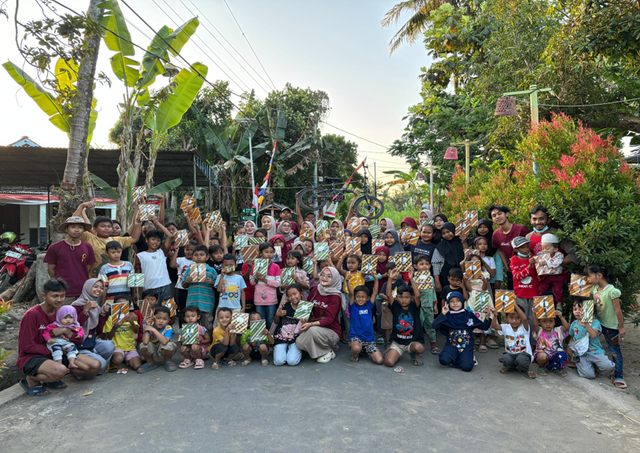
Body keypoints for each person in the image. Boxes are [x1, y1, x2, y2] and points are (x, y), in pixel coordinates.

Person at [17, 279, 101, 396]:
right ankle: (32, 379)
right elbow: (27, 346)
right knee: (60, 370)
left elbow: (78, 339)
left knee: (94, 366)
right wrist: (57, 350)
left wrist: (66, 331)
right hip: (33, 356)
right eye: (55, 296)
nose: (59, 299)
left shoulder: (61, 313)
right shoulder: (32, 315)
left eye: (62, 296)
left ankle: (51, 377)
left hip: (59, 352)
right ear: (44, 296)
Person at [73, 201, 141, 278]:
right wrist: (81, 206)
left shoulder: (118, 240)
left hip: (116, 281)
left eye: (109, 226)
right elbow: (73, 224)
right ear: (94, 229)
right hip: (95, 282)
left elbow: (134, 238)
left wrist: (138, 222)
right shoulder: (89, 237)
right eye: (103, 226)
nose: (106, 228)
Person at [587, 264, 626, 389]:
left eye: (589, 276)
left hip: (610, 326)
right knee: (594, 344)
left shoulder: (612, 291)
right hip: (597, 324)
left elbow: (618, 311)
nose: (588, 279)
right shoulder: (593, 289)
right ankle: (596, 367)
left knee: (614, 350)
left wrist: (621, 327)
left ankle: (619, 375)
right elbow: (589, 303)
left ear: (599, 275)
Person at [433, 291, 493, 372]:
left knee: (467, 367)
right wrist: (442, 314)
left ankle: (468, 356)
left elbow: (484, 327)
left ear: (462, 301)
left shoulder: (468, 315)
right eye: (452, 301)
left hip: (466, 346)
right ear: (448, 303)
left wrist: (487, 317)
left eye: (458, 300)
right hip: (452, 346)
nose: (455, 303)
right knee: (443, 360)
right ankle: (457, 356)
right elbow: (434, 326)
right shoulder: (448, 315)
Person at [296, 267, 343, 363]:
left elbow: (329, 319)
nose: (324, 278)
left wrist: (311, 324)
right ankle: (325, 349)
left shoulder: (335, 296)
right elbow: (307, 305)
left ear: (335, 279)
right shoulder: (316, 289)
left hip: (332, 330)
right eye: (322, 274)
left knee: (312, 330)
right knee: (299, 342)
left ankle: (327, 350)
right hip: (315, 326)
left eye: (329, 276)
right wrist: (304, 319)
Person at [44, 216, 95, 303]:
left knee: (82, 315)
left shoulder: (88, 247)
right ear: (66, 229)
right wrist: (59, 284)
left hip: (83, 291)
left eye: (80, 227)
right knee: (64, 315)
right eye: (73, 227)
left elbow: (88, 267)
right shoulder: (55, 247)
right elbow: (50, 270)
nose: (77, 230)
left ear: (83, 230)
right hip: (63, 292)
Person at [72, 279, 116, 376]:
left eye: (101, 288)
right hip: (79, 344)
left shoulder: (96, 307)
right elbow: (73, 327)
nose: (99, 290)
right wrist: (86, 310)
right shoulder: (76, 306)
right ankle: (80, 370)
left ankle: (94, 367)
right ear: (87, 287)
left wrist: (103, 314)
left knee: (110, 345)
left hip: (90, 341)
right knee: (102, 364)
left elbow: (99, 331)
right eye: (95, 286)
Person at [384, 268, 425, 367]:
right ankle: (394, 350)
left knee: (419, 348)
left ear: (411, 298)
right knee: (389, 362)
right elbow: (388, 294)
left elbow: (418, 295)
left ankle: (415, 353)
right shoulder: (395, 306)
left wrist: (411, 279)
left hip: (412, 342)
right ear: (397, 297)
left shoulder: (414, 307)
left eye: (406, 297)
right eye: (401, 297)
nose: (403, 300)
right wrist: (389, 279)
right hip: (398, 342)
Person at [569, 299, 615, 380]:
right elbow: (572, 337)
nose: (577, 312)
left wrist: (586, 322)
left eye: (581, 310)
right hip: (582, 354)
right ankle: (579, 364)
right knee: (589, 375)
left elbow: (593, 335)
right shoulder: (574, 324)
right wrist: (569, 349)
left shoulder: (595, 322)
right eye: (575, 309)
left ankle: (596, 366)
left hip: (595, 351)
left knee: (608, 366)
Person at [487, 205, 529, 289]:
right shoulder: (496, 234)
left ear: (507, 214)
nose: (497, 217)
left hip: (526, 267)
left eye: (500, 214)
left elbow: (530, 247)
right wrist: (506, 266)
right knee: (513, 294)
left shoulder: (521, 229)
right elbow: (500, 250)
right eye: (494, 216)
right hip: (512, 269)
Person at [490, 302, 535, 379]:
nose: (514, 321)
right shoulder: (505, 327)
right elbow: (493, 326)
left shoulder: (525, 328)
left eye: (518, 318)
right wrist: (495, 315)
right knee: (505, 358)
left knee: (521, 359)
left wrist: (515, 304)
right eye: (511, 317)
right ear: (506, 318)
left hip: (524, 355)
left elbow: (525, 319)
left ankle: (526, 369)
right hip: (510, 354)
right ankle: (511, 367)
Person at [347, 277, 383, 365]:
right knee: (356, 349)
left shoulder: (369, 305)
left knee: (379, 360)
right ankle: (355, 354)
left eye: (363, 297)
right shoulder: (353, 306)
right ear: (355, 298)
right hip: (356, 337)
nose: (360, 299)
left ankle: (364, 350)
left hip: (369, 339)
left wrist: (376, 279)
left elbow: (375, 293)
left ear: (367, 298)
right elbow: (351, 294)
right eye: (358, 297)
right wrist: (348, 281)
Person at [102, 295, 141, 374]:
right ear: (114, 305)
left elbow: (136, 331)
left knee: (137, 366)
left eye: (124, 305)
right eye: (119, 304)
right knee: (118, 359)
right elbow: (109, 336)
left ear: (129, 306)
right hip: (117, 347)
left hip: (130, 347)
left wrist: (132, 323)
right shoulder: (111, 318)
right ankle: (114, 360)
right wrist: (114, 327)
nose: (122, 307)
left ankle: (126, 358)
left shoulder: (131, 317)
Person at [462, 253, 493, 353]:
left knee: (483, 317)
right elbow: (469, 289)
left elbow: (484, 289)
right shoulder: (466, 274)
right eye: (472, 261)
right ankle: (471, 342)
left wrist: (484, 280)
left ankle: (482, 343)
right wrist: (466, 280)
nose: (474, 263)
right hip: (472, 297)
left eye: (477, 262)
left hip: (483, 297)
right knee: (472, 318)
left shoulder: (485, 273)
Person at [183, 245, 218, 331]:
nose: (199, 257)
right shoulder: (189, 270)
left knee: (207, 325)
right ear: (192, 256)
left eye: (201, 255)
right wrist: (186, 281)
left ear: (207, 257)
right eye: (196, 255)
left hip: (206, 304)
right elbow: (184, 285)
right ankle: (193, 343)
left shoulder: (211, 270)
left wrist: (212, 283)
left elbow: (218, 287)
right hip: (192, 302)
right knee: (192, 326)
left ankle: (206, 343)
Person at [135, 226, 173, 303]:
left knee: (168, 311)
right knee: (152, 312)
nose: (155, 242)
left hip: (165, 285)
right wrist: (135, 292)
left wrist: (156, 222)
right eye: (153, 239)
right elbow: (137, 273)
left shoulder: (162, 252)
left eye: (158, 240)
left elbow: (170, 236)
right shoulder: (140, 255)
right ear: (146, 240)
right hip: (149, 288)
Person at [42, 305, 84, 370]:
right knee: (57, 350)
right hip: (56, 342)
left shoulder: (75, 325)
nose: (68, 320)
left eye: (71, 317)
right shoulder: (54, 325)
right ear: (59, 317)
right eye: (65, 318)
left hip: (67, 342)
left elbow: (81, 331)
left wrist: (80, 335)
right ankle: (59, 364)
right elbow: (46, 332)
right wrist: (48, 339)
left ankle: (71, 363)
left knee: (72, 348)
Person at [510, 236, 538, 330]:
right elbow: (517, 277)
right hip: (520, 294)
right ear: (515, 249)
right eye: (523, 247)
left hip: (534, 294)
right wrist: (529, 266)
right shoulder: (514, 260)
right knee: (521, 319)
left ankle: (532, 343)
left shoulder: (534, 258)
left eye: (527, 246)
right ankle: (521, 342)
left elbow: (540, 276)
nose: (526, 249)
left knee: (532, 319)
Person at [250, 242, 281, 328]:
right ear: (260, 253)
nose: (269, 254)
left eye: (271, 252)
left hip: (271, 299)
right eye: (266, 252)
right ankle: (260, 340)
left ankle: (270, 338)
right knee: (260, 320)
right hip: (258, 298)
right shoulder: (255, 265)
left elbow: (278, 283)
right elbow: (251, 282)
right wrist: (256, 279)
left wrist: (265, 280)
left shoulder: (276, 267)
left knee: (271, 320)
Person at [138, 306, 177, 373]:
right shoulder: (150, 326)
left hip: (163, 350)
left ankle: (168, 361)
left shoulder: (168, 328)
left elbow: (164, 341)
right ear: (153, 318)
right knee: (143, 345)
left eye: (164, 319)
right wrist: (147, 325)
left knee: (168, 345)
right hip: (153, 351)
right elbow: (145, 342)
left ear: (168, 320)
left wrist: (153, 329)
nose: (161, 321)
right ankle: (150, 363)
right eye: (158, 318)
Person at [273, 284, 304, 366]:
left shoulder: (305, 307)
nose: (293, 297)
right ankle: (284, 350)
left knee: (292, 361)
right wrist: (277, 315)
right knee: (279, 361)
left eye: (295, 294)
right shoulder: (284, 305)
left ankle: (295, 351)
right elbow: (276, 322)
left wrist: (305, 322)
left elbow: (306, 325)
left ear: (301, 294)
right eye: (289, 296)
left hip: (296, 338)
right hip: (281, 336)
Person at [413, 255, 439, 354]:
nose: (424, 266)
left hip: (429, 307)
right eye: (421, 264)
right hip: (419, 306)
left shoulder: (431, 278)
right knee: (417, 325)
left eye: (427, 264)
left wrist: (435, 304)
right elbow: (413, 294)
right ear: (416, 266)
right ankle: (416, 344)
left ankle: (433, 345)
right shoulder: (415, 279)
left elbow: (433, 292)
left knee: (431, 326)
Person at [532, 311, 569, 377]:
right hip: (544, 355)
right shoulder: (539, 331)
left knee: (561, 355)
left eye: (551, 321)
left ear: (554, 322)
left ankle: (558, 368)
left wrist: (561, 316)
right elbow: (535, 325)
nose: (548, 324)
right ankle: (541, 367)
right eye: (544, 322)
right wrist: (534, 313)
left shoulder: (558, 331)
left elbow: (566, 327)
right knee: (542, 357)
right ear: (539, 322)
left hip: (556, 355)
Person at [170, 240, 197, 326]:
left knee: (193, 310)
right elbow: (172, 265)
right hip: (180, 288)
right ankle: (182, 330)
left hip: (193, 289)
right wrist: (176, 252)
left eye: (192, 250)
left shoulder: (197, 261)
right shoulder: (180, 260)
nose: (189, 252)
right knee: (182, 310)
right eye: (187, 249)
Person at [432, 222, 465, 293]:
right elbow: (436, 265)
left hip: (462, 276)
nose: (446, 235)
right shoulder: (440, 246)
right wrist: (437, 281)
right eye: (443, 233)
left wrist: (464, 242)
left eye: (448, 231)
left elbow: (468, 255)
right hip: (446, 278)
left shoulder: (462, 242)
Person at [214, 254, 247, 325]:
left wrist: (243, 307)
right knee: (220, 327)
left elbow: (242, 292)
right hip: (222, 306)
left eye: (231, 265)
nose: (229, 267)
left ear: (236, 265)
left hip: (236, 307)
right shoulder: (220, 276)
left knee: (236, 328)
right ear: (222, 266)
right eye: (226, 265)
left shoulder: (239, 278)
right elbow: (219, 289)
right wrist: (222, 276)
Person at [536, 233, 565, 308]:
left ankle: (559, 303)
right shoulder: (541, 255)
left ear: (555, 249)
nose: (544, 250)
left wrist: (546, 263)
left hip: (557, 277)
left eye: (547, 248)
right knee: (541, 288)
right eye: (543, 248)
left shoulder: (559, 255)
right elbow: (537, 262)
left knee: (558, 290)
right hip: (546, 276)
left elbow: (557, 263)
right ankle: (539, 302)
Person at [177, 305, 211, 370]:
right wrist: (182, 341)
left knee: (194, 346)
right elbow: (183, 343)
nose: (190, 318)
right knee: (182, 348)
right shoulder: (183, 330)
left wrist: (200, 340)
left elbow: (208, 340)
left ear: (198, 317)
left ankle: (199, 360)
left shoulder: (201, 328)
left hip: (200, 350)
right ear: (184, 318)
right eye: (187, 316)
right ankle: (188, 359)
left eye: (193, 316)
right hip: (190, 351)